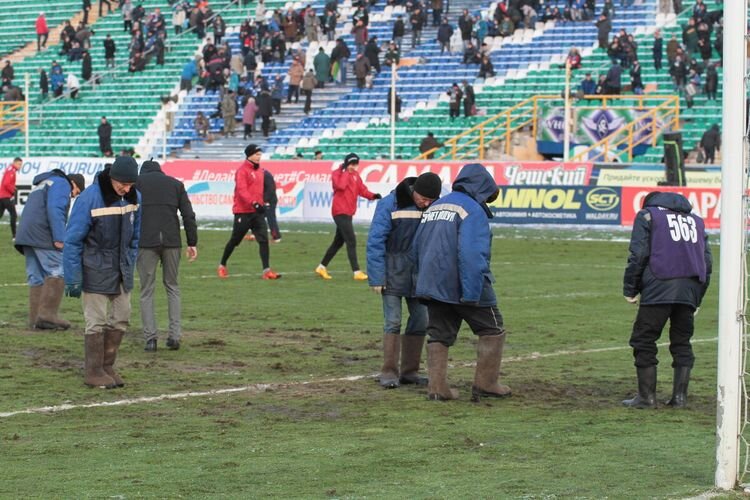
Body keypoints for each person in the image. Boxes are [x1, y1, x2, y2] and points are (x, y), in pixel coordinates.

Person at [412, 163, 511, 402]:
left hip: (432, 284)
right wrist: (472, 291)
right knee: (492, 328)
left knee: (439, 334)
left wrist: (423, 282)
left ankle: (437, 388)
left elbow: (416, 247)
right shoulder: (473, 210)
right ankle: (486, 383)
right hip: (462, 283)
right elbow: (471, 253)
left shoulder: (436, 206)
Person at [622, 191, 712, 408]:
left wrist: (630, 288)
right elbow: (707, 262)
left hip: (659, 284)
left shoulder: (648, 216)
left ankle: (646, 398)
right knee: (682, 342)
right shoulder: (697, 222)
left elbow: (639, 254)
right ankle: (679, 398)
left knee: (644, 340)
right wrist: (697, 297)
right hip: (690, 288)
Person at [63, 156, 142, 389]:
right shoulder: (89, 198)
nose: (126, 189)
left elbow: (135, 237)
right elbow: (72, 241)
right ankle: (93, 371)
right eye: (123, 185)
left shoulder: (135, 197)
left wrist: (129, 261)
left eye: (131, 185)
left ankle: (108, 366)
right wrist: (73, 277)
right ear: (112, 177)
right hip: (95, 269)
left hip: (122, 269)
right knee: (95, 322)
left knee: (122, 318)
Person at [366, 173, 442, 388]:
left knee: (421, 321)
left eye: (430, 201)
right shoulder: (389, 204)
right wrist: (376, 277)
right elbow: (375, 240)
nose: (426, 204)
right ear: (414, 191)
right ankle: (389, 372)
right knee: (393, 321)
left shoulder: (432, 207)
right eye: (423, 199)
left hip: (421, 276)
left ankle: (410, 372)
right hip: (392, 273)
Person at [136, 159, 197, 352]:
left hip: (145, 241)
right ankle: (174, 336)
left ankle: (150, 338)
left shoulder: (136, 184)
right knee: (172, 286)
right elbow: (188, 215)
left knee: (147, 290)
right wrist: (192, 241)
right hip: (171, 240)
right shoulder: (176, 184)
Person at [14, 169, 84, 329]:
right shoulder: (62, 183)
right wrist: (59, 238)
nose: (73, 196)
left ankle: (35, 320)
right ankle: (47, 315)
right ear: (73, 183)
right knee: (58, 270)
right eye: (76, 192)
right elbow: (55, 208)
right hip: (41, 233)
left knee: (36, 276)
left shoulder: (45, 182)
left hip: (27, 233)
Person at [217, 145, 281, 280]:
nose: (259, 157)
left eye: (260, 154)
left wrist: (263, 203)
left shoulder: (261, 172)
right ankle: (222, 265)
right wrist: (254, 203)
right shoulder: (242, 171)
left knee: (263, 240)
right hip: (243, 212)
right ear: (249, 155)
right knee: (235, 240)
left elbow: (261, 190)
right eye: (257, 154)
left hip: (257, 212)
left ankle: (266, 270)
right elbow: (242, 191)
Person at [315, 153, 380, 281]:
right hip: (340, 212)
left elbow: (362, 190)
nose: (355, 167)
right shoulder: (337, 174)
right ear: (347, 163)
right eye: (352, 164)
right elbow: (340, 186)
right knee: (351, 240)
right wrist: (345, 171)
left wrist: (373, 196)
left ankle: (321, 267)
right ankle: (356, 271)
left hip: (348, 212)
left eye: (356, 164)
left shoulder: (356, 175)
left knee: (338, 242)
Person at [0, 157, 21, 240]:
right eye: (19, 164)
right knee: (13, 214)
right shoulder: (11, 171)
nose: (20, 166)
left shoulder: (9, 169)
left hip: (2, 196)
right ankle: (14, 236)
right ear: (14, 163)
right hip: (6, 196)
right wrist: (13, 190)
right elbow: (6, 184)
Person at [263, 167, 281, 242]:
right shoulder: (262, 174)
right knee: (256, 217)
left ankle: (276, 237)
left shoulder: (266, 175)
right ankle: (256, 234)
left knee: (271, 218)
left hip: (269, 200)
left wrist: (265, 200)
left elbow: (271, 189)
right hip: (265, 200)